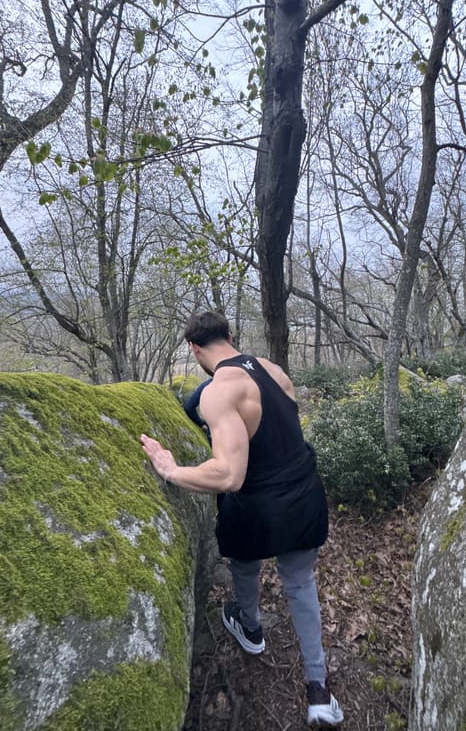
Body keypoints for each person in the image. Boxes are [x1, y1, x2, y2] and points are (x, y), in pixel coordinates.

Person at [140, 311, 343, 727]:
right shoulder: (273, 370)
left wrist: (171, 470)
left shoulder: (218, 393)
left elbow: (229, 476)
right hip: (304, 496)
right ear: (230, 337)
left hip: (256, 508)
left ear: (194, 349)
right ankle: (319, 691)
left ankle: (250, 628)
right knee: (300, 583)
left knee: (244, 560)